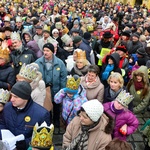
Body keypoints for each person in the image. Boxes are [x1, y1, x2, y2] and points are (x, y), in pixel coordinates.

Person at [0, 81, 50, 150]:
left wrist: (26, 143)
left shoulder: (42, 114)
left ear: (25, 98)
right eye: (11, 95)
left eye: (16, 97)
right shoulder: (7, 107)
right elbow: (2, 123)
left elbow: (43, 137)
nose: (12, 99)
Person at [35, 43, 67, 127]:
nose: (45, 52)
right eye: (44, 50)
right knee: (46, 108)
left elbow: (63, 77)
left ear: (52, 52)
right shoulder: (38, 62)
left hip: (56, 90)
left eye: (47, 51)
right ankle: (47, 122)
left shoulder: (60, 63)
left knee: (56, 107)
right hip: (43, 90)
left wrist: (62, 90)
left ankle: (56, 121)